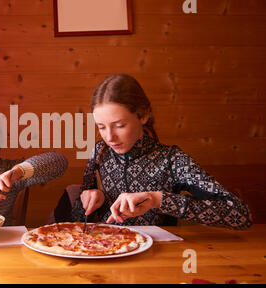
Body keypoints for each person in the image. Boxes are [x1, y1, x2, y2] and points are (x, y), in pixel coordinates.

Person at [70, 74, 252, 229]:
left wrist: (159, 200)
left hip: (158, 259)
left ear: (143, 115)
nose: (109, 137)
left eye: (119, 126)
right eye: (101, 127)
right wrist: (92, 200)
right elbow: (76, 221)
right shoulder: (100, 151)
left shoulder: (172, 159)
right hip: (104, 250)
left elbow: (240, 215)